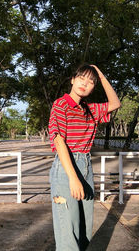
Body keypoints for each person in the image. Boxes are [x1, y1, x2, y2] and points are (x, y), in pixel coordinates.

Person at [48, 64, 121, 250]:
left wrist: (101, 75)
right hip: (66, 168)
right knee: (68, 232)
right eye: (81, 78)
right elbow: (59, 142)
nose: (85, 83)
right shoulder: (61, 104)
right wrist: (73, 178)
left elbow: (115, 103)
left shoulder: (90, 110)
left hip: (85, 166)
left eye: (91, 82)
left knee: (83, 230)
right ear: (72, 79)